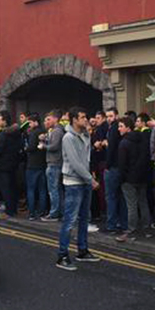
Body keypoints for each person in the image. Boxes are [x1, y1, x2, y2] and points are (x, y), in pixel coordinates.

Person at [55, 107, 101, 271]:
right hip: (73, 183)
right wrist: (91, 180)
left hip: (85, 181)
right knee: (69, 221)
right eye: (82, 117)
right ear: (74, 119)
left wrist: (90, 177)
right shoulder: (68, 138)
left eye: (85, 117)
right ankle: (62, 255)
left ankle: (82, 251)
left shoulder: (85, 134)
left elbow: (86, 160)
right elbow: (74, 163)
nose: (86, 120)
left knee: (84, 219)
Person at [115, 117, 152, 242]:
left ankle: (131, 230)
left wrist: (122, 179)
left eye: (121, 126)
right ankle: (146, 229)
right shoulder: (143, 139)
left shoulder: (124, 143)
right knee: (143, 202)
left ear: (128, 127)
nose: (119, 129)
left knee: (131, 205)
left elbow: (122, 164)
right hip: (142, 176)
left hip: (129, 178)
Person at [103, 107, 128, 233]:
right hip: (121, 167)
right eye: (107, 116)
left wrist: (107, 166)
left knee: (111, 197)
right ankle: (123, 223)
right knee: (121, 197)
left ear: (117, 116)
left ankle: (111, 224)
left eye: (111, 116)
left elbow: (112, 148)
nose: (109, 119)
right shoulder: (119, 129)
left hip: (113, 167)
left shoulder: (113, 128)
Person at [0, 111, 22, 218]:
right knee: (13, 187)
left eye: (0, 119)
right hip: (13, 163)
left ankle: (8, 211)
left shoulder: (3, 134)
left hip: (2, 164)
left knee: (5, 189)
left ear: (5, 121)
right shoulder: (17, 133)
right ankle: (13, 209)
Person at [41, 110, 65, 222]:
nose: (46, 122)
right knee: (58, 189)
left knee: (53, 190)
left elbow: (54, 146)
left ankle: (54, 213)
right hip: (57, 163)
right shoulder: (57, 131)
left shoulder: (56, 131)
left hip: (54, 163)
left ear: (56, 119)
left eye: (48, 119)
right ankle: (60, 212)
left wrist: (43, 146)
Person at [25, 113, 47, 220]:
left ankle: (32, 213)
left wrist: (26, 148)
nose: (29, 125)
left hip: (32, 164)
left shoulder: (33, 133)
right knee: (42, 189)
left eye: (30, 122)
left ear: (35, 122)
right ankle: (42, 211)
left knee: (31, 189)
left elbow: (32, 147)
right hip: (43, 164)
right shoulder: (44, 131)